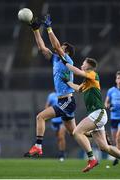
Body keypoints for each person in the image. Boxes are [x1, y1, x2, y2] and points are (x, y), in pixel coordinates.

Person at [60, 57, 120, 174]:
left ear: (88, 66)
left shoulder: (92, 74)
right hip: (96, 114)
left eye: (83, 64)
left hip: (98, 113)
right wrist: (68, 82)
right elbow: (78, 89)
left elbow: (77, 72)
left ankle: (92, 159)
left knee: (77, 132)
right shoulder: (87, 81)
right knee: (104, 147)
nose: (81, 65)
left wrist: (65, 63)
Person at [24, 17, 76, 157]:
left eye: (63, 47)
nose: (60, 47)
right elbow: (42, 48)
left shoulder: (67, 60)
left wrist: (49, 29)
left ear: (67, 52)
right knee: (75, 133)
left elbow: (57, 47)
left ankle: (38, 146)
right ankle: (101, 136)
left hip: (67, 101)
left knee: (40, 117)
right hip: (63, 101)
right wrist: (35, 30)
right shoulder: (55, 59)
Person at [45, 92, 66, 161]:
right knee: (58, 138)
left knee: (61, 137)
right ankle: (60, 151)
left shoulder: (65, 94)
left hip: (62, 120)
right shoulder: (51, 95)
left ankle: (62, 155)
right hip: (54, 121)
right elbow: (47, 106)